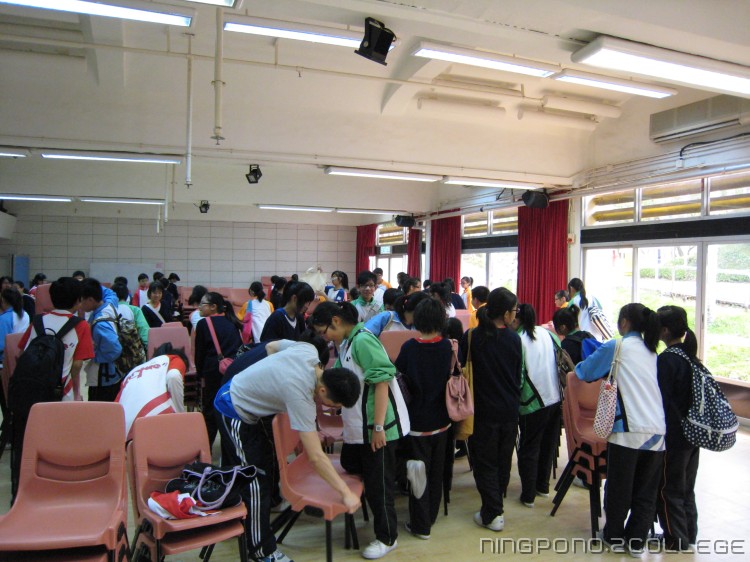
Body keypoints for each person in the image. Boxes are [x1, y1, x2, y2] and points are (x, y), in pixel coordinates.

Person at [214, 335, 361, 562]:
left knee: (264, 470)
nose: (332, 408)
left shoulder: (309, 352)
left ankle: (239, 518)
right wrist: (345, 493)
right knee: (254, 481)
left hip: (247, 404)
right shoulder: (300, 395)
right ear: (323, 391)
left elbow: (272, 346)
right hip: (232, 408)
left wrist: (268, 382)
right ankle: (262, 551)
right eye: (334, 405)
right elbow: (316, 457)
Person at [311, 301, 410, 560]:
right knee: (351, 462)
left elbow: (382, 381)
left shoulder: (363, 341)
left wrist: (378, 427)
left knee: (379, 486)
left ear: (335, 321)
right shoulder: (347, 343)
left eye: (324, 331)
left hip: (378, 427)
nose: (325, 337)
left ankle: (387, 537)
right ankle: (403, 466)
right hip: (360, 426)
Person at [575, 303, 665, 557]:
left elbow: (584, 371)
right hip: (658, 431)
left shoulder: (618, 346)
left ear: (624, 322)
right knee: (646, 491)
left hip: (628, 430)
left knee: (619, 488)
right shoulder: (652, 352)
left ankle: (613, 536)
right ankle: (636, 542)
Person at [460, 287, 522, 533]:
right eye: (514, 310)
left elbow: (460, 369)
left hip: (482, 410)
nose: (516, 314)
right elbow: (517, 374)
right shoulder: (514, 338)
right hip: (509, 409)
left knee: (484, 462)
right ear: (505, 314)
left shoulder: (473, 336)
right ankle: (495, 506)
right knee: (503, 460)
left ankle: (493, 512)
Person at [394, 298, 452, 540]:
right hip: (442, 420)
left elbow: (398, 376)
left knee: (418, 472)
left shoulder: (410, 347)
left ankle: (420, 525)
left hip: (416, 421)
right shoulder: (447, 346)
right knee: (437, 471)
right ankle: (430, 517)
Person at [655, 305, 700, 552]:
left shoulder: (667, 360)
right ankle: (689, 534)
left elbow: (660, 399)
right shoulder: (690, 357)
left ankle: (675, 539)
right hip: (693, 434)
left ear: (664, 331)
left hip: (674, 434)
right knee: (686, 487)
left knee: (669, 487)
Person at [513, 303, 562, 507]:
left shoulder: (518, 339)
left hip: (533, 402)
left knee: (529, 448)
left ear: (517, 319)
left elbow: (519, 375)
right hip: (555, 397)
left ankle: (528, 495)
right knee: (548, 445)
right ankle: (542, 486)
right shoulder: (548, 334)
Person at [194, 291, 242, 448]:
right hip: (231, 372)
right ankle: (229, 450)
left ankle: (205, 449)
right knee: (228, 410)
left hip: (212, 373)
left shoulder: (203, 324)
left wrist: (200, 375)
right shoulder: (232, 322)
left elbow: (199, 354)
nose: (199, 307)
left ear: (213, 307)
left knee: (210, 412)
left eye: (202, 304)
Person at [115, 343, 189, 439]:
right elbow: (173, 376)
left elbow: (116, 404)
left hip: (123, 426)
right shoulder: (174, 359)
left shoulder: (134, 371)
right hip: (157, 416)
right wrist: (181, 415)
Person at [80, 278, 123, 402]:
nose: (80, 305)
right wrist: (89, 286)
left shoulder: (100, 324)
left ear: (90, 300)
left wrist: (93, 356)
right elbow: (110, 293)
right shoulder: (109, 304)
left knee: (99, 407)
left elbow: (115, 349)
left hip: (104, 377)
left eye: (81, 301)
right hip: (115, 373)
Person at [112, 282, 149, 349]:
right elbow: (144, 330)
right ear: (127, 296)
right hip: (133, 349)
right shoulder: (135, 310)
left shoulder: (109, 310)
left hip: (114, 348)